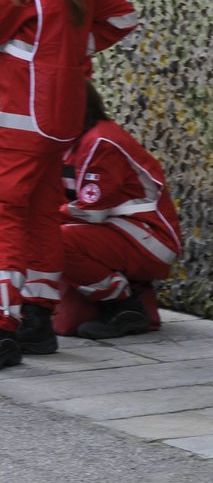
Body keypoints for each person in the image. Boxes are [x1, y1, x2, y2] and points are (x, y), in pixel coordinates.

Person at [0, 0, 139, 365]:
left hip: (16, 118)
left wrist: (31, 56)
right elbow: (125, 16)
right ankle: (37, 321)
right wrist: (67, 56)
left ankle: (3, 327)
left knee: (6, 216)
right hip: (59, 122)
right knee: (40, 214)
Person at [56, 83, 181, 340]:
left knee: (54, 241)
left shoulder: (100, 142)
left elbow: (91, 210)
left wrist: (38, 221)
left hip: (149, 238)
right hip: (125, 232)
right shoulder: (76, 141)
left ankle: (123, 304)